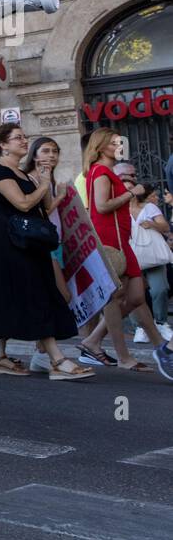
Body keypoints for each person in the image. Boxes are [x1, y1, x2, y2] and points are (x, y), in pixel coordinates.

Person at [0, 124, 88, 379]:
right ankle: (57, 360)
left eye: (24, 137)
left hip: (29, 243)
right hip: (8, 244)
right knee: (35, 293)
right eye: (17, 138)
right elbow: (23, 203)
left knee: (16, 294)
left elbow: (43, 208)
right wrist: (43, 182)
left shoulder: (23, 174)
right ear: (2, 145)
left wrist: (57, 194)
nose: (23, 140)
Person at [78, 128, 173, 380]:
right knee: (117, 297)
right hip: (111, 240)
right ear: (101, 147)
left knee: (136, 296)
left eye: (120, 142)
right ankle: (126, 355)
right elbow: (101, 206)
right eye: (113, 143)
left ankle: (93, 340)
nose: (119, 146)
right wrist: (133, 192)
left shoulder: (104, 171)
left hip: (122, 240)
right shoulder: (100, 171)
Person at [131, 184, 171, 339]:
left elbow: (165, 226)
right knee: (134, 294)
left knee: (159, 289)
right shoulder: (118, 210)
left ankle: (161, 322)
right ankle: (140, 327)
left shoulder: (149, 208)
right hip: (131, 256)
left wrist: (152, 224)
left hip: (153, 255)